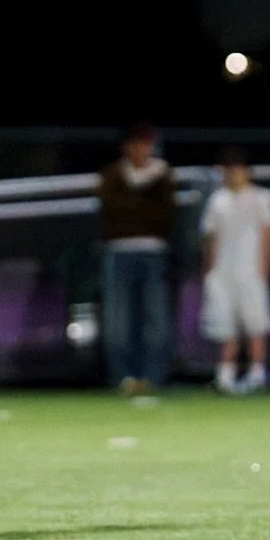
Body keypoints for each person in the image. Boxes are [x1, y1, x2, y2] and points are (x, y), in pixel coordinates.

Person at [95, 121, 178, 395]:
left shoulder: (164, 175)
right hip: (117, 252)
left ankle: (153, 379)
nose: (140, 149)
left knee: (156, 319)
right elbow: (111, 212)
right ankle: (124, 378)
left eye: (145, 143)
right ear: (126, 147)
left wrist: (133, 210)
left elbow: (164, 216)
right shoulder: (111, 174)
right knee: (117, 320)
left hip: (154, 252)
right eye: (135, 143)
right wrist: (140, 209)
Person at [198, 146, 270, 394]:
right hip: (223, 273)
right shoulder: (217, 200)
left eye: (237, 169)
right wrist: (210, 270)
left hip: (251, 270)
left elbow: (269, 234)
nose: (233, 174)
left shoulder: (261, 198)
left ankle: (256, 374)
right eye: (229, 169)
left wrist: (264, 267)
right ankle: (225, 376)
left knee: (256, 323)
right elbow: (210, 238)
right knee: (225, 325)